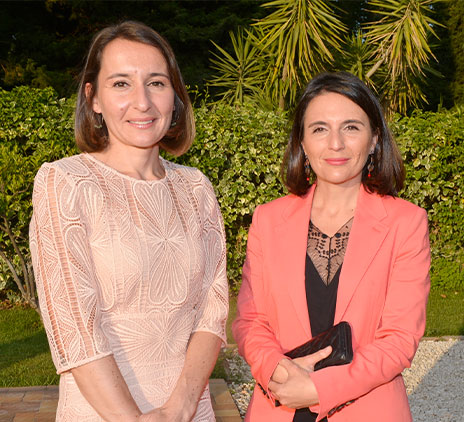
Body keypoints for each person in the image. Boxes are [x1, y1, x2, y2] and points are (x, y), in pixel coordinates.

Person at [29, 21, 228, 422]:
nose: (142, 102)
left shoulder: (196, 188)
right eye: (121, 83)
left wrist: (183, 405)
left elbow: (214, 307)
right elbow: (75, 327)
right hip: (102, 413)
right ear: (94, 98)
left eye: (156, 83)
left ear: (175, 97)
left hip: (190, 410)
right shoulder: (64, 182)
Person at [232, 72, 430, 422]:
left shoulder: (406, 222)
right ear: (303, 143)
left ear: (374, 140)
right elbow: (250, 320)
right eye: (320, 129)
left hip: (367, 409)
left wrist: (320, 389)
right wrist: (279, 369)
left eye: (351, 127)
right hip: (280, 405)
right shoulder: (267, 219)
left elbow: (399, 338)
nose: (335, 143)